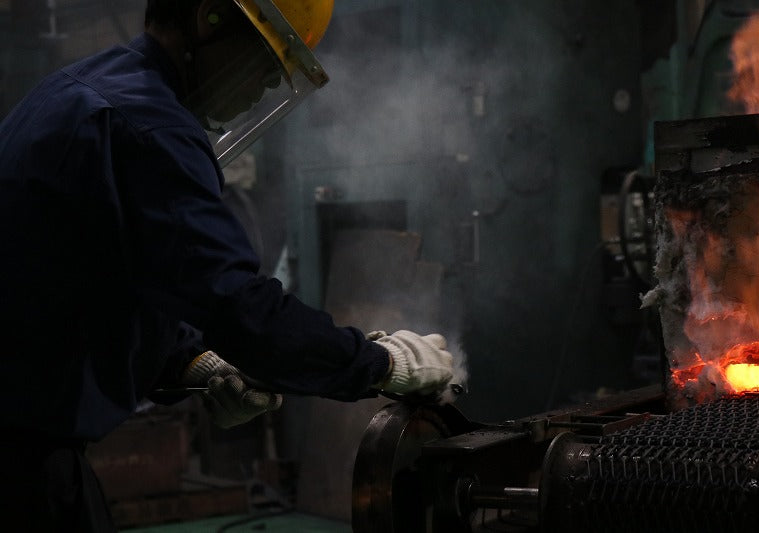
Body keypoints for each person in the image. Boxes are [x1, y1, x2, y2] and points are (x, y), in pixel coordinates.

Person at [0, 0, 455, 530]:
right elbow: (240, 308)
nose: (263, 89)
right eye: (265, 64)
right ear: (208, 17)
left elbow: (88, 281)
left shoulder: (84, 90)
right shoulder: (151, 126)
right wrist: (382, 364)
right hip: (22, 463)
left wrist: (195, 363)